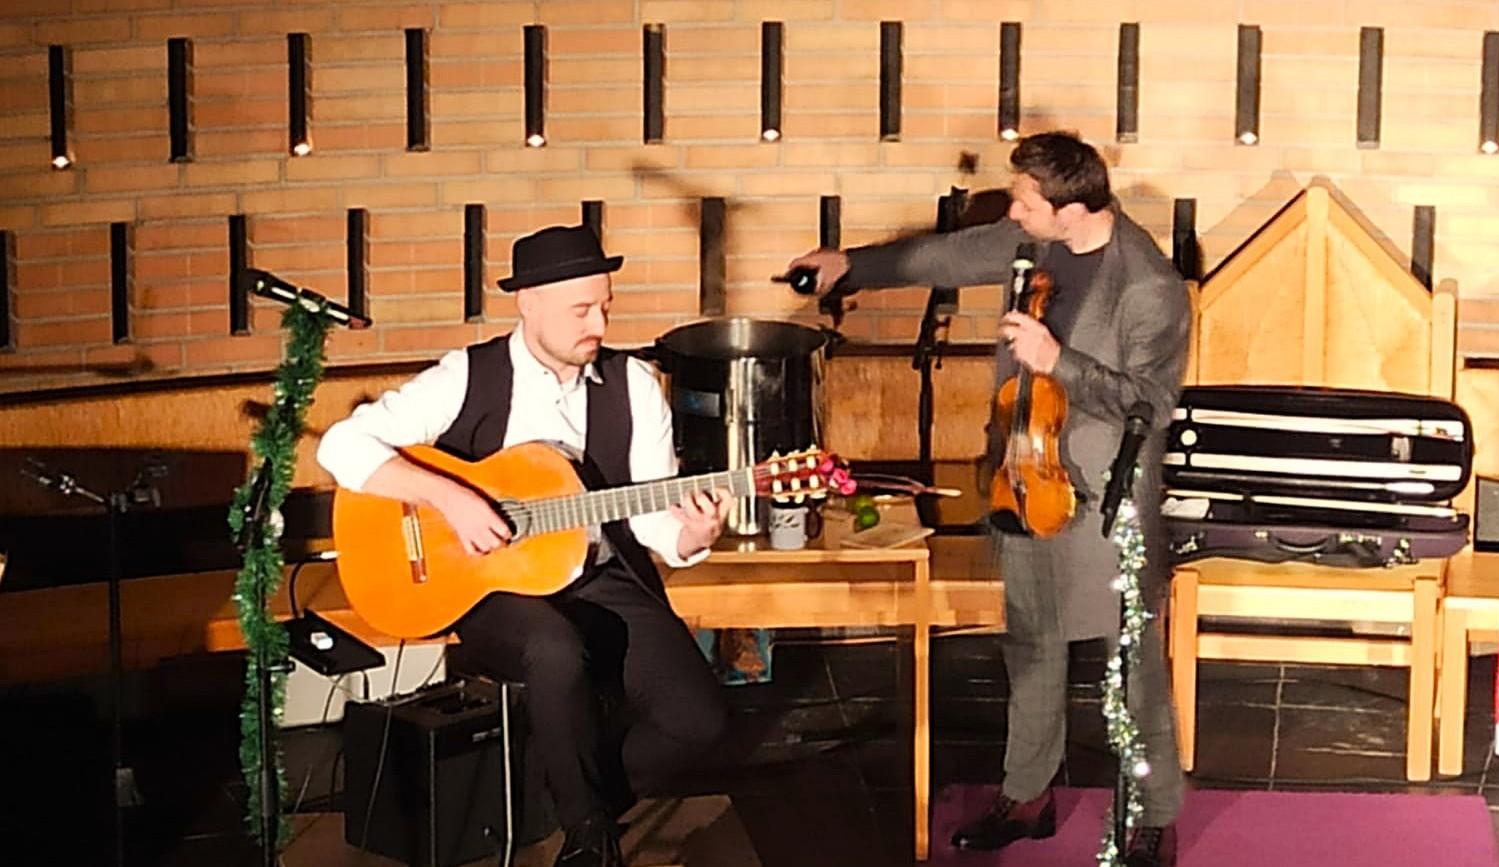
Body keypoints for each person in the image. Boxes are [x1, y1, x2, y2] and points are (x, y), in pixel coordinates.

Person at [787, 131, 1189, 867]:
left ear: (1070, 209)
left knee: (1129, 662)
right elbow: (946, 255)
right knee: (1029, 643)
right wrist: (851, 267)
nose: (1012, 211)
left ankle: (1154, 815)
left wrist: (1058, 361)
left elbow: (1150, 405)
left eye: (1025, 200)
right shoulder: (1032, 240)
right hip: (1022, 473)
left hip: (1102, 494)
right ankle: (1028, 793)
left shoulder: (1148, 285)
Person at [317, 225, 734, 867]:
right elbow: (341, 446)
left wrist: (692, 535)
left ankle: (554, 795)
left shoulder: (633, 385)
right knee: (554, 650)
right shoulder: (469, 375)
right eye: (580, 310)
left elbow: (652, 517)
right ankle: (588, 837)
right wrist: (450, 498)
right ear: (529, 303)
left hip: (598, 575)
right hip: (486, 583)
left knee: (700, 724)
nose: (598, 324)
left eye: (604, 307)